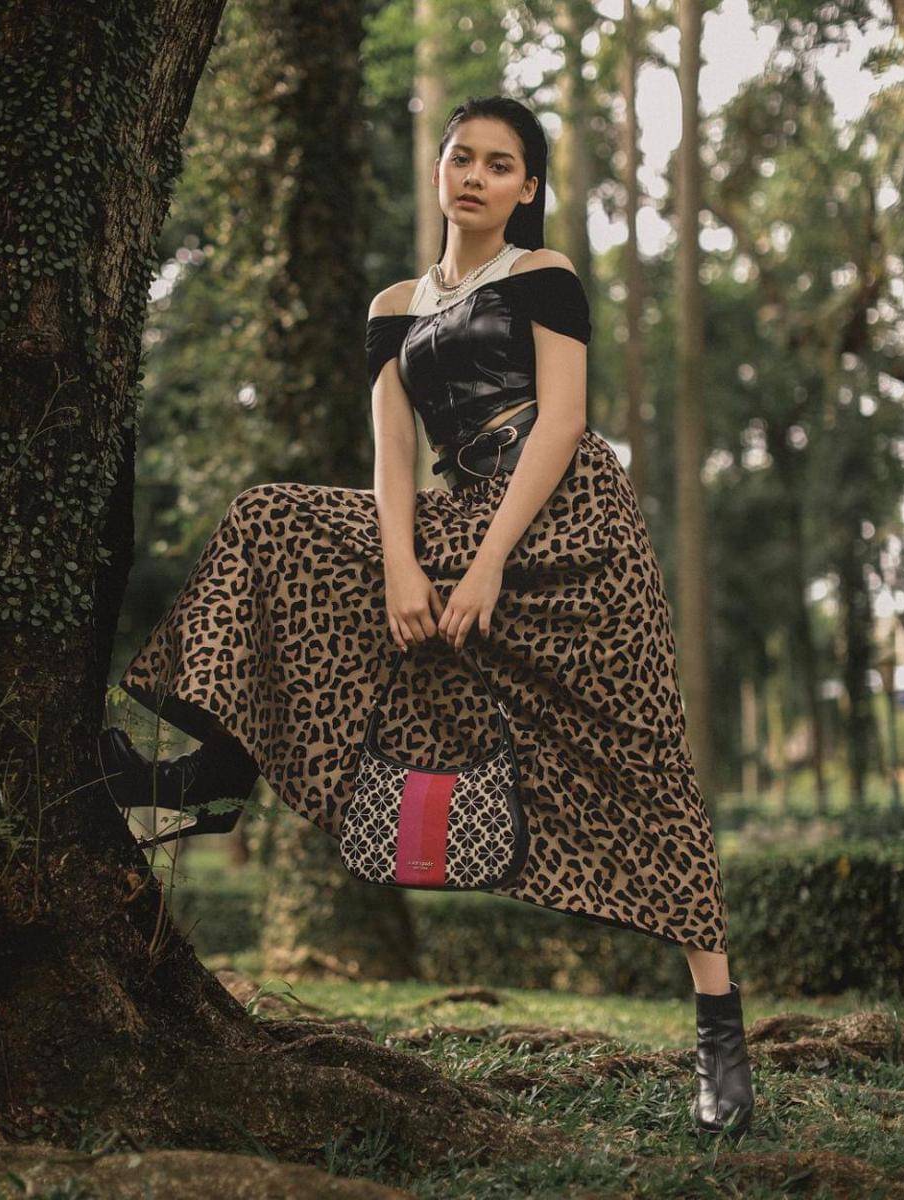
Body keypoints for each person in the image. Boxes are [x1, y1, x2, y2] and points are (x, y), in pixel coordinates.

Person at [99, 94, 754, 1138]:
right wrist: (403, 564)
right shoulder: (394, 306)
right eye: (462, 157)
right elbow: (393, 452)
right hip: (455, 515)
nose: (475, 176)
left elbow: (565, 421)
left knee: (646, 764)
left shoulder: (545, 275)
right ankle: (211, 775)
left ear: (527, 188)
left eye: (500, 164)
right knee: (272, 519)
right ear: (440, 170)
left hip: (571, 527)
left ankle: (720, 1033)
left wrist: (486, 568)